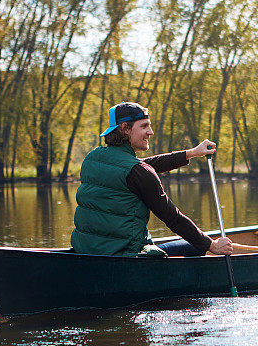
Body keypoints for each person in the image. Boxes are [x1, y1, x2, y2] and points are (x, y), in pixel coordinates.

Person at [71, 101, 233, 257]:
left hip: (85, 250)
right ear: (125, 129)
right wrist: (211, 245)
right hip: (127, 255)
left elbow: (143, 166)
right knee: (196, 246)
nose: (151, 131)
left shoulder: (93, 158)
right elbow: (173, 218)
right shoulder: (137, 171)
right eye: (144, 126)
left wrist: (192, 153)